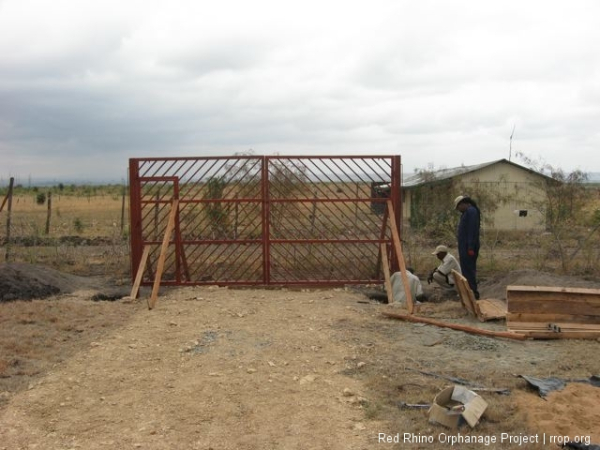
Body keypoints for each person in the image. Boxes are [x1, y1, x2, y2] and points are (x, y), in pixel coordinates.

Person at [454, 195, 481, 299]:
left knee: (469, 270)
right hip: (464, 247)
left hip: (468, 247)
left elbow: (472, 230)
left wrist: (470, 247)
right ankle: (469, 292)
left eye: (458, 207)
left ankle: (473, 293)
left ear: (462, 204)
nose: (458, 210)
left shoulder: (471, 212)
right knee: (466, 270)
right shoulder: (467, 212)